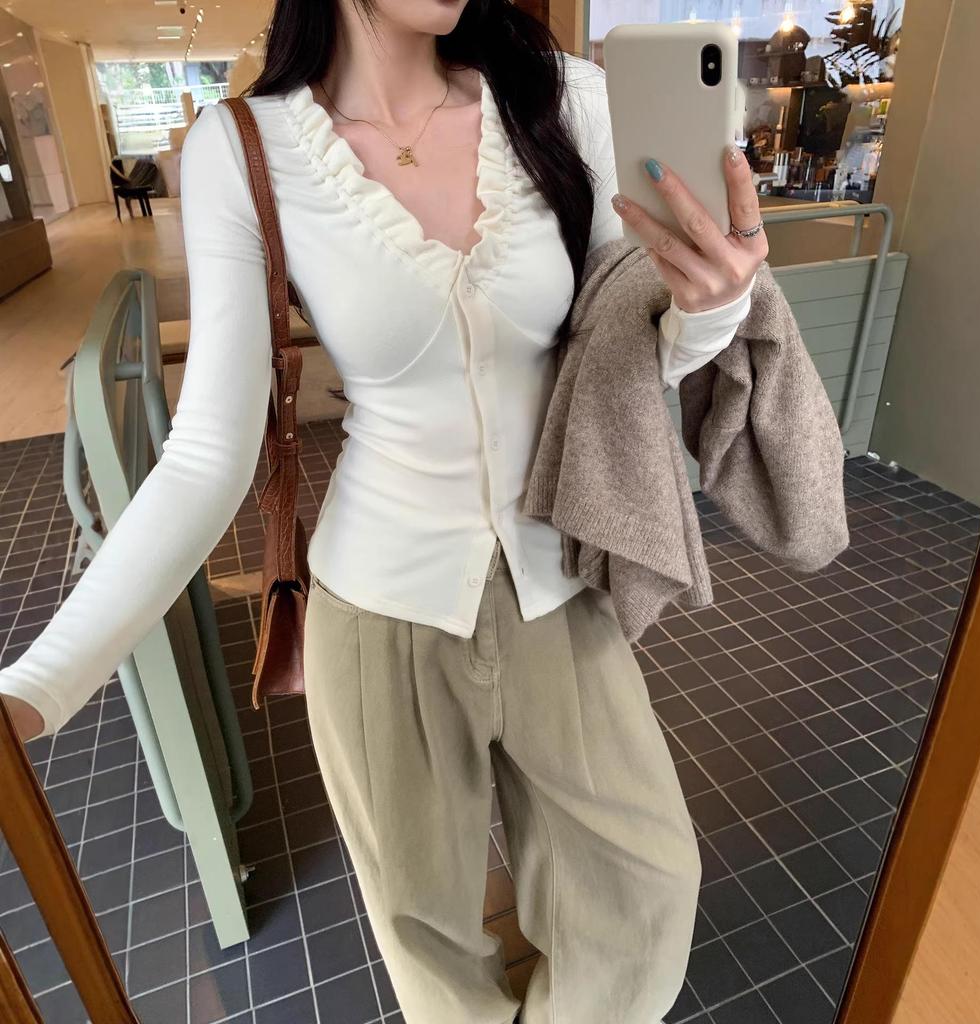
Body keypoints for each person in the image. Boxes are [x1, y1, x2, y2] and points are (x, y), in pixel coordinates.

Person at [0, 1, 768, 1020]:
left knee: (645, 893)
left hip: (560, 586)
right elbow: (207, 456)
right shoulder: (245, 147)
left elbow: (621, 363)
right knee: (427, 935)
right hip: (379, 609)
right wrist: (37, 685)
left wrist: (712, 307)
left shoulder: (562, 102)